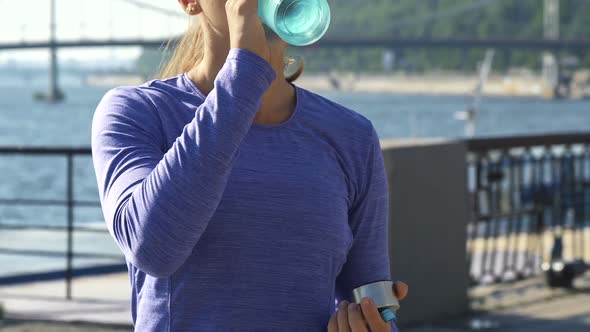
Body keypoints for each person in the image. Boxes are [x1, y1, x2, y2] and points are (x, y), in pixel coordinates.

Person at [90, 0, 408, 331]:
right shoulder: (138, 112)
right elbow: (153, 249)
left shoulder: (351, 136)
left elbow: (373, 299)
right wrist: (243, 76)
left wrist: (374, 324)